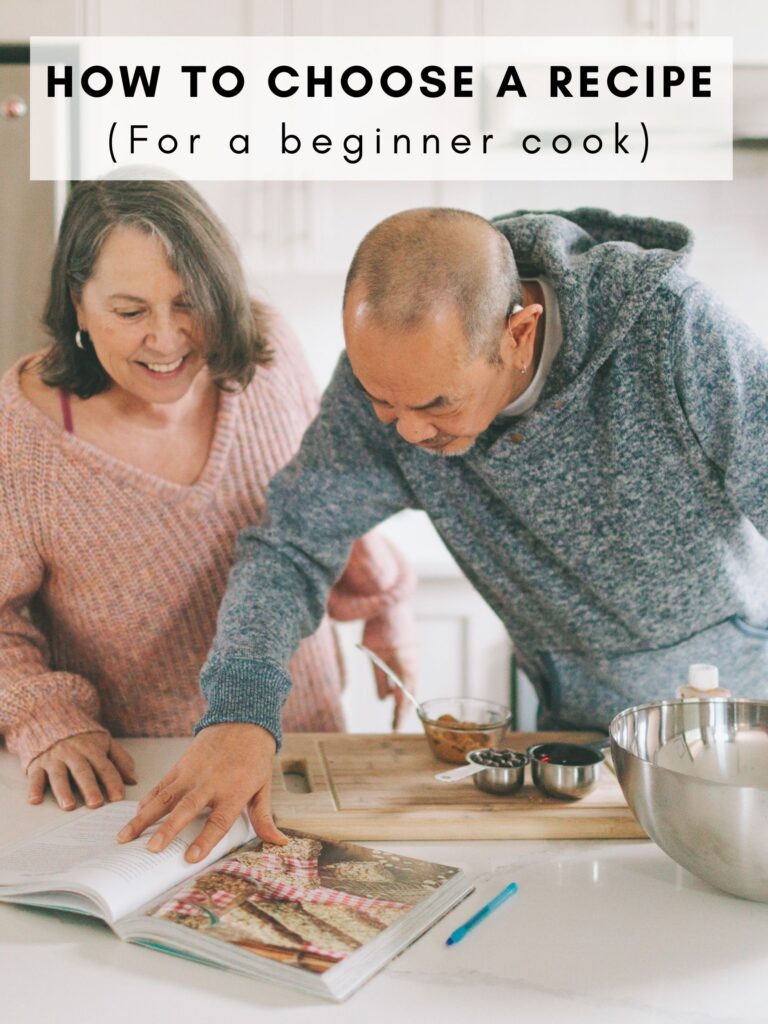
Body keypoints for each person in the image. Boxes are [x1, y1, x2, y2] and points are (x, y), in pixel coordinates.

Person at [120, 203, 768, 860]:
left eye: (436, 404)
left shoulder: (674, 331)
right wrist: (240, 707)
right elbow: (290, 543)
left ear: (519, 334)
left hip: (740, 720)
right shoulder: (392, 382)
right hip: (582, 737)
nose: (406, 432)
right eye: (383, 403)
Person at [0, 179, 418, 824]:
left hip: (295, 745)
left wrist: (383, 603)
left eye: (190, 303)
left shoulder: (271, 354)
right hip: (140, 779)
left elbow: (318, 504)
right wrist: (47, 718)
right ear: (77, 305)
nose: (167, 340)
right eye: (130, 311)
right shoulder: (20, 435)